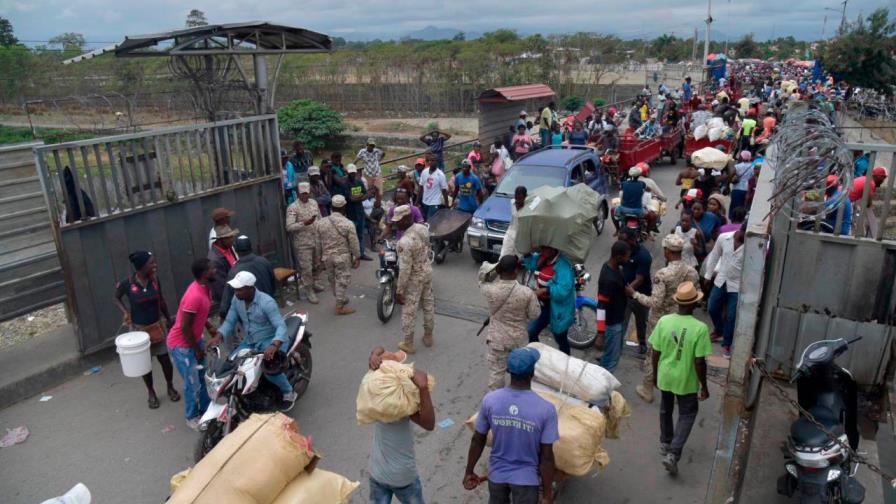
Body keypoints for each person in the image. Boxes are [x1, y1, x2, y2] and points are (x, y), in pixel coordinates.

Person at [464, 347, 559, 504]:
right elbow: (547, 457)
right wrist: (547, 494)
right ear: (533, 373)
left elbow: (478, 439)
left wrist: (469, 471)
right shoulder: (546, 409)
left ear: (508, 370)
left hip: (497, 476)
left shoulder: (491, 400)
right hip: (526, 480)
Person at [627, 235, 700, 403]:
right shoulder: (692, 272)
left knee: (653, 354)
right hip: (682, 320)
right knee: (678, 354)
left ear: (667, 251)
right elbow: (697, 296)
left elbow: (655, 302)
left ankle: (647, 389)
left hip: (660, 322)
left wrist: (635, 294)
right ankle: (676, 391)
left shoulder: (663, 274)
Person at [648, 281, 711, 475]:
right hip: (686, 379)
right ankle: (673, 454)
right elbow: (699, 362)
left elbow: (655, 352)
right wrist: (704, 386)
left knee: (666, 409)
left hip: (666, 374)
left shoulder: (664, 321)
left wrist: (656, 374)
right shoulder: (700, 328)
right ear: (694, 304)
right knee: (687, 414)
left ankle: (666, 443)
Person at [218, 271, 297, 411]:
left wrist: (274, 345)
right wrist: (219, 335)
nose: (236, 293)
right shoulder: (237, 301)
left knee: (270, 369)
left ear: (250, 288)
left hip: (271, 341)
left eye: (239, 289)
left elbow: (280, 326)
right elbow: (230, 320)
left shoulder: (266, 302)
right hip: (250, 341)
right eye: (235, 289)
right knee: (231, 364)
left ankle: (288, 392)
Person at [367, 347, 435, 503]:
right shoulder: (402, 402)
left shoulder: (375, 389)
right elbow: (429, 424)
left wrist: (374, 354)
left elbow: (378, 348)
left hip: (377, 473)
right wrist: (423, 389)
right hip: (403, 477)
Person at [114, 251, 178, 410]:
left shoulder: (155, 281)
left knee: (165, 360)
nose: (155, 265)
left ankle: (170, 386)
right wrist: (125, 312)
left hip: (157, 326)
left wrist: (169, 321)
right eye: (151, 263)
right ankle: (151, 392)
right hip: (138, 331)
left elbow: (161, 300)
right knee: (144, 364)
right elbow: (116, 297)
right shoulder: (127, 284)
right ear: (141, 266)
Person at [166, 258, 220, 430]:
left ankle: (206, 409)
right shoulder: (194, 295)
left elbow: (200, 315)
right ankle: (192, 417)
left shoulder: (205, 289)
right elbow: (185, 327)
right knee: (192, 384)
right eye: (212, 269)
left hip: (194, 341)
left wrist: (209, 326)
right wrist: (197, 350)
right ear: (204, 274)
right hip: (182, 346)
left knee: (203, 377)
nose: (215, 270)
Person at [480, 255, 541, 390]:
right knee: (521, 374)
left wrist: (495, 268)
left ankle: (496, 403)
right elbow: (535, 315)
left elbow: (482, 277)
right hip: (518, 341)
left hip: (497, 341)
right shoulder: (526, 293)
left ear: (499, 270)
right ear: (516, 271)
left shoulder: (488, 290)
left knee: (496, 375)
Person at [393, 206, 435, 354]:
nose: (396, 224)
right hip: (427, 271)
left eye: (398, 221)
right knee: (428, 304)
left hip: (414, 278)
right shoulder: (422, 228)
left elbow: (404, 270)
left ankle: (408, 343)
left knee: (409, 310)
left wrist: (399, 291)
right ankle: (428, 335)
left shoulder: (404, 242)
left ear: (407, 218)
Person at [525, 246, 575, 355]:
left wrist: (545, 290)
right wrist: (526, 255)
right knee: (531, 332)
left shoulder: (564, 265)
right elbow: (531, 265)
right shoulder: (541, 258)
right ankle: (537, 356)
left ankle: (566, 360)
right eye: (542, 247)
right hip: (542, 306)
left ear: (554, 248)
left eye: (546, 248)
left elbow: (564, 290)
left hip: (557, 308)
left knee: (560, 338)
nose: (543, 250)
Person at [704, 225, 745, 358]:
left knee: (731, 316)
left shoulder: (752, 245)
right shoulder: (724, 238)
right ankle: (719, 329)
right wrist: (708, 276)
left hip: (737, 285)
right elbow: (714, 256)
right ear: (740, 230)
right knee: (712, 308)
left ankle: (727, 344)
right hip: (721, 280)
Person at [317, 195, 361, 315]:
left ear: (331, 207)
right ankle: (339, 307)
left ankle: (340, 298)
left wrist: (319, 257)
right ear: (344, 207)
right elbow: (354, 242)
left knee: (332, 279)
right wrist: (357, 256)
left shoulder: (321, 223)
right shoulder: (348, 224)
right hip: (342, 256)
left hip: (327, 257)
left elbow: (318, 242)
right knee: (342, 280)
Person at [219, 235, 277, 318]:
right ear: (251, 248)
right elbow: (273, 285)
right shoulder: (264, 262)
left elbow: (226, 301)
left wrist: (223, 315)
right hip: (270, 308)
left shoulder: (234, 271)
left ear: (236, 251)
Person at [286, 182, 325, 304]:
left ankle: (315, 282)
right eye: (302, 194)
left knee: (317, 264)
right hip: (303, 243)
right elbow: (289, 227)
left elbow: (320, 218)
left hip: (316, 240)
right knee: (306, 268)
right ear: (298, 193)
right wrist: (304, 223)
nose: (305, 196)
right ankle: (309, 289)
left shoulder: (313, 203)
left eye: (307, 194)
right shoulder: (293, 208)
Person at [597, 241, 631, 372]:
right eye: (626, 256)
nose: (628, 259)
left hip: (618, 319)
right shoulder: (608, 279)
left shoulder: (615, 268)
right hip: (612, 324)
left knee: (610, 355)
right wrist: (600, 334)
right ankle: (603, 387)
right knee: (610, 361)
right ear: (618, 257)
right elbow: (601, 306)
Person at [620, 228, 651, 354]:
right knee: (621, 321)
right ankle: (616, 347)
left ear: (632, 240)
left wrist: (626, 291)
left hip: (640, 295)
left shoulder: (644, 256)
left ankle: (642, 343)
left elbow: (639, 279)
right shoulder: (621, 251)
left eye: (624, 241)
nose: (621, 244)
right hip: (625, 294)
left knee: (641, 321)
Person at [342, 164, 372, 260]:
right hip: (350, 213)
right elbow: (351, 199)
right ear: (347, 172)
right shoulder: (345, 184)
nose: (352, 174)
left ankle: (361, 253)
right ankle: (351, 255)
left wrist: (358, 197)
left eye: (353, 172)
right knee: (351, 236)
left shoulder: (359, 182)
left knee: (360, 234)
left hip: (360, 212)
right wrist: (360, 197)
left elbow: (366, 194)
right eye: (350, 173)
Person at [207, 224, 239, 305]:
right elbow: (221, 290)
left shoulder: (229, 248)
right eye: (228, 237)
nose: (232, 239)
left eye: (232, 236)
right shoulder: (215, 260)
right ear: (219, 240)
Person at [418, 155, 449, 221]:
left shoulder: (440, 175)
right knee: (425, 218)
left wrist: (447, 205)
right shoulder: (424, 172)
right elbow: (421, 187)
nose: (430, 162)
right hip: (425, 200)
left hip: (435, 202)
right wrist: (417, 201)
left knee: (430, 220)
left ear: (437, 162)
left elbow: (444, 190)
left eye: (433, 160)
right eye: (429, 160)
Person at [500, 186, 527, 258]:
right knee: (504, 256)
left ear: (525, 197)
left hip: (522, 237)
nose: (517, 201)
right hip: (510, 234)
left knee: (520, 259)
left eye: (520, 198)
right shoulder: (512, 203)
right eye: (516, 198)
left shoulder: (528, 207)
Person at [730, 151, 753, 219]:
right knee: (744, 207)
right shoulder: (752, 166)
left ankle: (733, 220)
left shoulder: (737, 166)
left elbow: (731, 176)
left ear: (741, 157)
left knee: (735, 206)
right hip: (747, 189)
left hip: (737, 188)